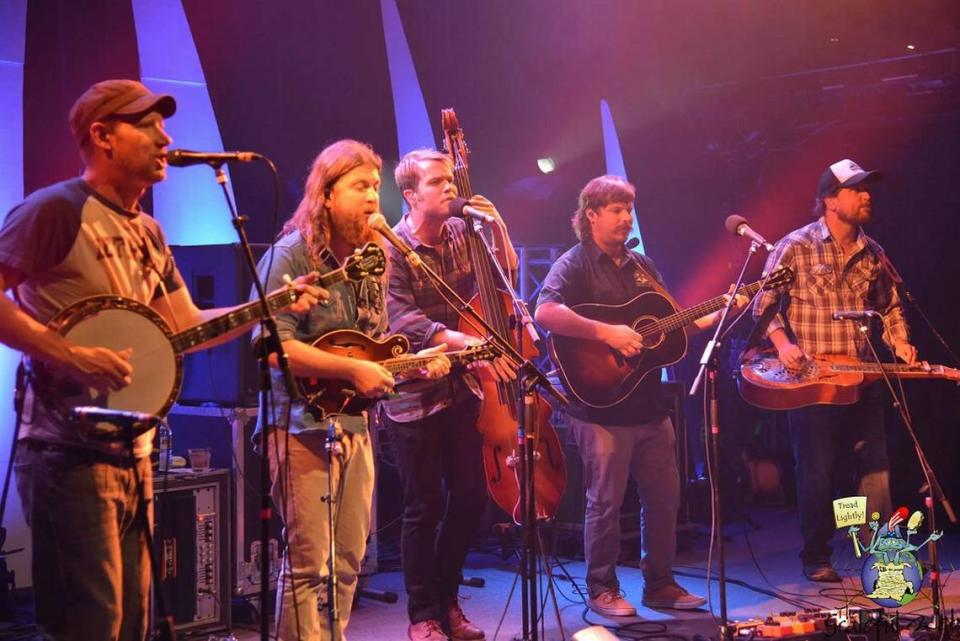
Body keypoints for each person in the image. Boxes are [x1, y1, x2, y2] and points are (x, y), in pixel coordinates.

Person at [0, 79, 321, 641]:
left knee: (131, 625)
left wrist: (263, 307)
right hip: (65, 452)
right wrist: (70, 354)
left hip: (136, 452)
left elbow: (182, 328)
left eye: (162, 125)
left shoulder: (148, 230)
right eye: (146, 126)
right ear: (102, 136)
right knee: (88, 625)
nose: (164, 138)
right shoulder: (54, 210)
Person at [250, 140, 450, 641]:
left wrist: (411, 366)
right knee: (307, 563)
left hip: (355, 422)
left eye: (375, 188)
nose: (371, 198)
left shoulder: (373, 260)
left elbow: (372, 351)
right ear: (326, 194)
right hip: (297, 425)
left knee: (347, 562)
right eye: (359, 186)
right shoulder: (289, 254)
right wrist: (350, 371)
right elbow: (270, 344)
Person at [535, 175, 728, 617]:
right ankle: (602, 588)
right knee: (604, 503)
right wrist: (606, 331)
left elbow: (673, 323)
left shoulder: (644, 265)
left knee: (664, 498)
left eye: (629, 209)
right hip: (598, 408)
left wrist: (720, 311)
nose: (626, 218)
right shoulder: (575, 262)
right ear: (592, 216)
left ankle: (659, 583)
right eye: (616, 210)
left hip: (648, 404)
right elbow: (545, 311)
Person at [751, 158, 917, 583]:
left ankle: (880, 556)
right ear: (829, 200)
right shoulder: (796, 246)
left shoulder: (874, 251)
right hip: (813, 382)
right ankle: (817, 555)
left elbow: (890, 307)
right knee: (818, 470)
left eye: (867, 188)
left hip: (862, 376)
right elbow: (763, 304)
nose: (866, 195)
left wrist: (899, 341)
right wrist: (784, 344)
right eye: (856, 189)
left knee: (875, 469)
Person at [379, 149, 518, 641]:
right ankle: (422, 615)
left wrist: (497, 230)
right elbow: (402, 321)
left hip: (461, 388)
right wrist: (462, 341)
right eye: (437, 182)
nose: (449, 188)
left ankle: (448, 600)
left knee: (471, 497)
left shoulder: (463, 233)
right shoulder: (391, 248)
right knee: (423, 507)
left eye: (449, 179)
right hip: (412, 396)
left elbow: (504, 283)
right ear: (411, 194)